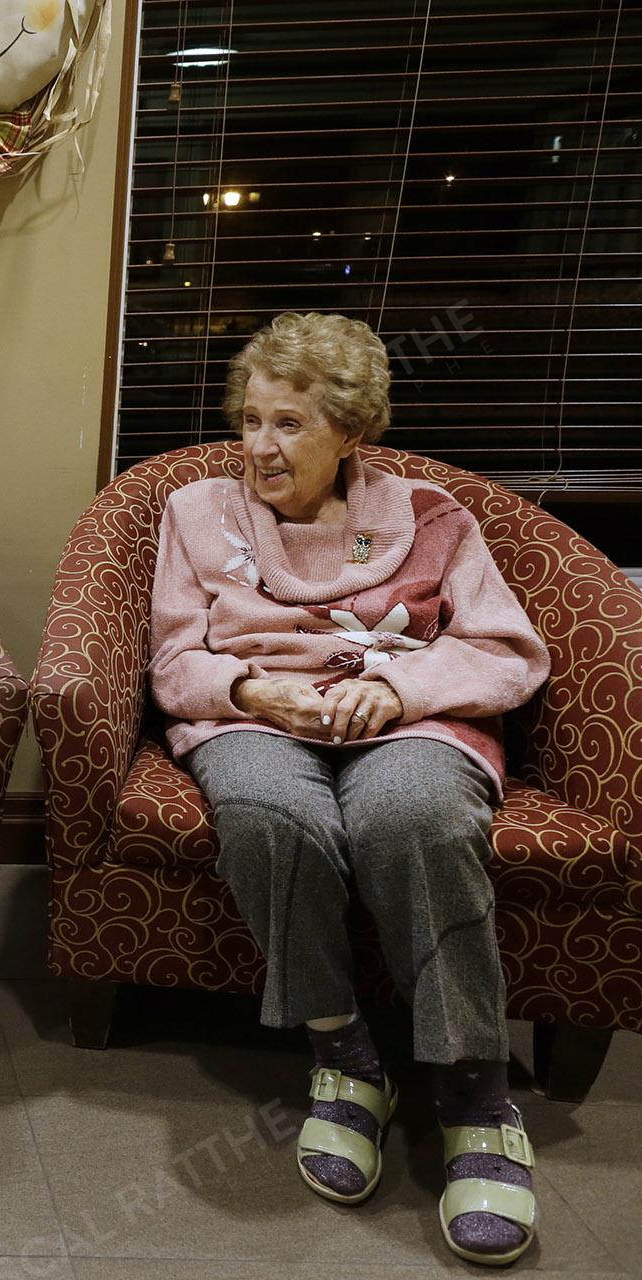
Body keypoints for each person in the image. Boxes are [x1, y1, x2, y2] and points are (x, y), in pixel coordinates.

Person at [149, 312, 550, 1266]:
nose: (257, 446)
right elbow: (173, 655)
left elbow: (502, 645)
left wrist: (398, 685)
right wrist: (248, 687)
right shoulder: (196, 513)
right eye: (249, 420)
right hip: (254, 713)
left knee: (413, 814)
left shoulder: (430, 518)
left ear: (350, 432)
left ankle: (473, 1089)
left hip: (408, 711)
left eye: (288, 424)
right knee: (265, 812)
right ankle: (344, 1055)